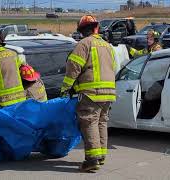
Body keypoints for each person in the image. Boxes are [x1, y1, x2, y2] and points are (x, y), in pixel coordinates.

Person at [60, 15, 117, 172]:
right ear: (96, 28)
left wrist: (66, 87)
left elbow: (73, 67)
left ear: (82, 31)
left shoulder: (84, 44)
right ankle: (100, 156)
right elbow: (114, 67)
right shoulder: (107, 46)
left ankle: (92, 160)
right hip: (109, 92)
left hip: (91, 92)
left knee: (89, 122)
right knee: (101, 122)